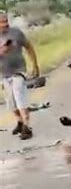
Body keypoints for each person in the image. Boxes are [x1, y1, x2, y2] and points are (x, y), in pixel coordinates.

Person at [0, 10, 40, 140]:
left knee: (19, 95)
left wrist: (35, 64)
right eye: (2, 22)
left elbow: (29, 47)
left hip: (19, 70)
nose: (5, 24)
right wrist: (2, 51)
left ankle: (27, 127)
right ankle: (20, 121)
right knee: (10, 102)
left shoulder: (16, 32)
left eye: (6, 21)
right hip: (4, 73)